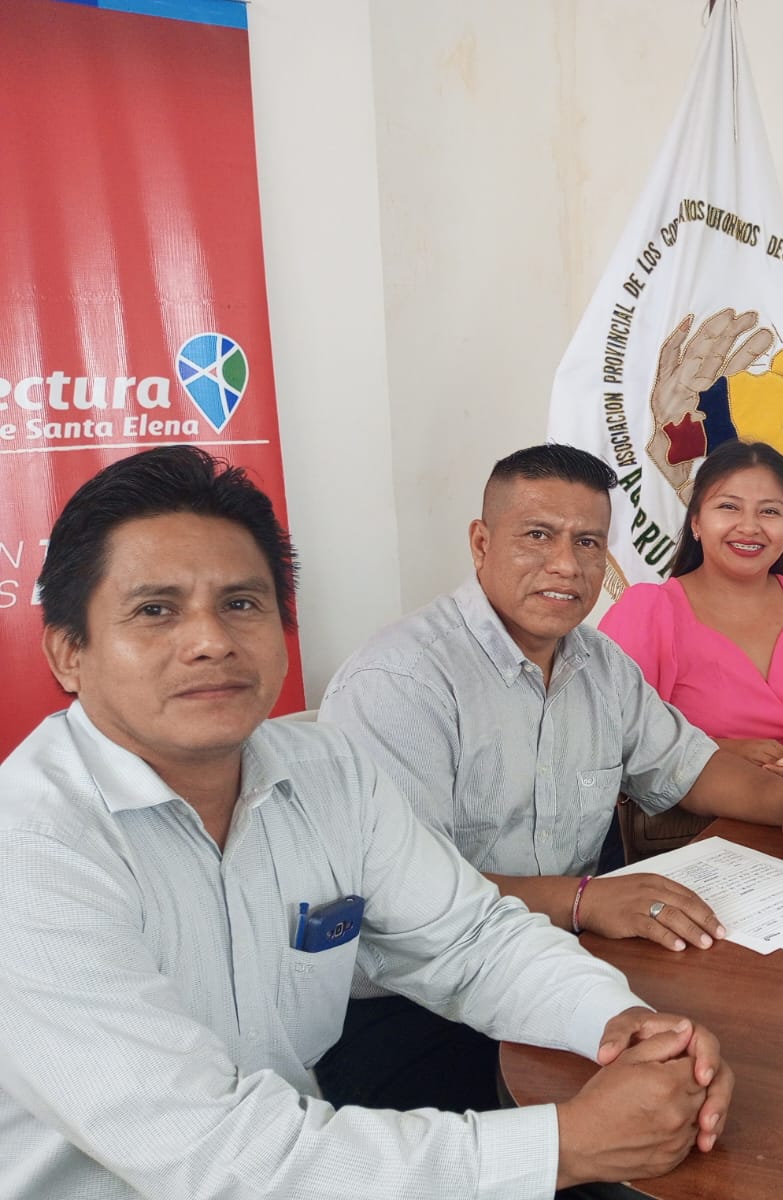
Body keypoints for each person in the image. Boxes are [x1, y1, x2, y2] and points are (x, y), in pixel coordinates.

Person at [0, 445, 733, 1199]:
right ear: (68, 653)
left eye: (241, 604)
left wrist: (624, 1023)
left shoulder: (327, 774)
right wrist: (563, 1145)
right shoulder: (31, 852)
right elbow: (213, 1153)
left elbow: (472, 937)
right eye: (156, 610)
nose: (212, 640)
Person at [317, 443, 783, 1112]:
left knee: (741, 1071)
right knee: (631, 1132)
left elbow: (690, 766)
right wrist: (583, 900)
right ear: (481, 543)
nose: (566, 564)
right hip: (414, 1004)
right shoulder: (401, 682)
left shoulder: (600, 666)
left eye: (588, 542)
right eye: (538, 535)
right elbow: (410, 901)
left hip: (561, 965)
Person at [599, 438, 783, 792]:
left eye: (769, 511)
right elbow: (610, 731)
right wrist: (713, 753)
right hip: (696, 817)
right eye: (729, 507)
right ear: (696, 522)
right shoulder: (647, 611)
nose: (750, 527)